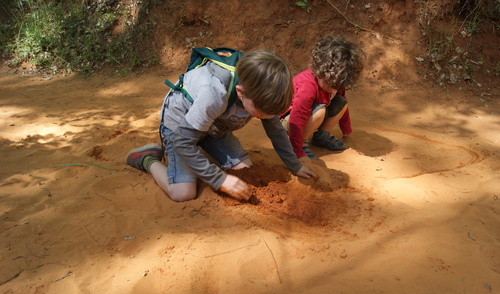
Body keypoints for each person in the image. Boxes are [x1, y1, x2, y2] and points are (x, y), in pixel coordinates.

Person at [126, 49, 317, 202]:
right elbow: (182, 142)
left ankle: (200, 151)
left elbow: (274, 127)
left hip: (214, 128)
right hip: (180, 127)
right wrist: (219, 179)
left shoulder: (260, 91)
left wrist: (294, 165)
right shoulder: (214, 95)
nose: (267, 116)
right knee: (182, 193)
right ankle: (147, 159)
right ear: (241, 92)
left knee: (245, 170)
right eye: (263, 112)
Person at [280, 35, 364, 163]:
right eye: (328, 84)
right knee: (320, 110)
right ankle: (302, 142)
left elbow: (342, 100)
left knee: (342, 103)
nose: (332, 89)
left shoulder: (336, 79)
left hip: (312, 113)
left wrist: (346, 128)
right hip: (289, 120)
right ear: (319, 71)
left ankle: (321, 136)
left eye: (336, 86)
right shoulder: (307, 86)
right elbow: (297, 117)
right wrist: (297, 151)